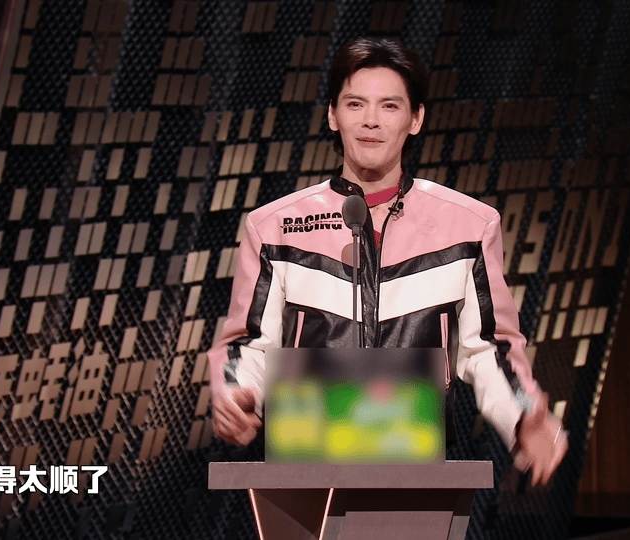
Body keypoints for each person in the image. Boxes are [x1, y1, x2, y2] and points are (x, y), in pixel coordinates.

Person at [207, 37, 567, 485]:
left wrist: (525, 414)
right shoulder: (276, 226)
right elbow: (248, 343)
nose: (371, 121)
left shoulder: (469, 226)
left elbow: (491, 349)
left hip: (416, 464)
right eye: (355, 104)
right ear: (333, 116)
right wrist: (236, 394)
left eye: (390, 106)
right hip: (303, 464)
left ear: (416, 118)